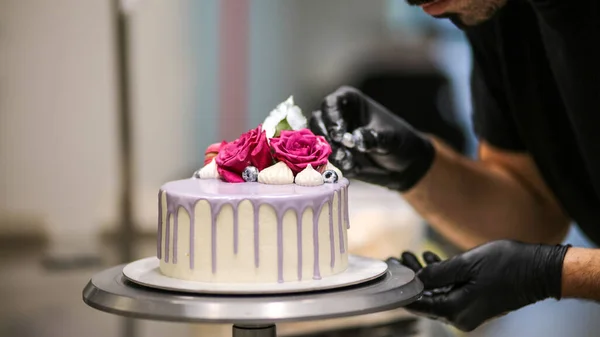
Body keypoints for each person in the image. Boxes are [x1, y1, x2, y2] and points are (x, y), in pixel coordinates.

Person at [309, 0, 600, 332]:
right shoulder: (496, 14)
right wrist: (417, 166)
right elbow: (534, 219)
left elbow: (544, 257)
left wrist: (552, 275)